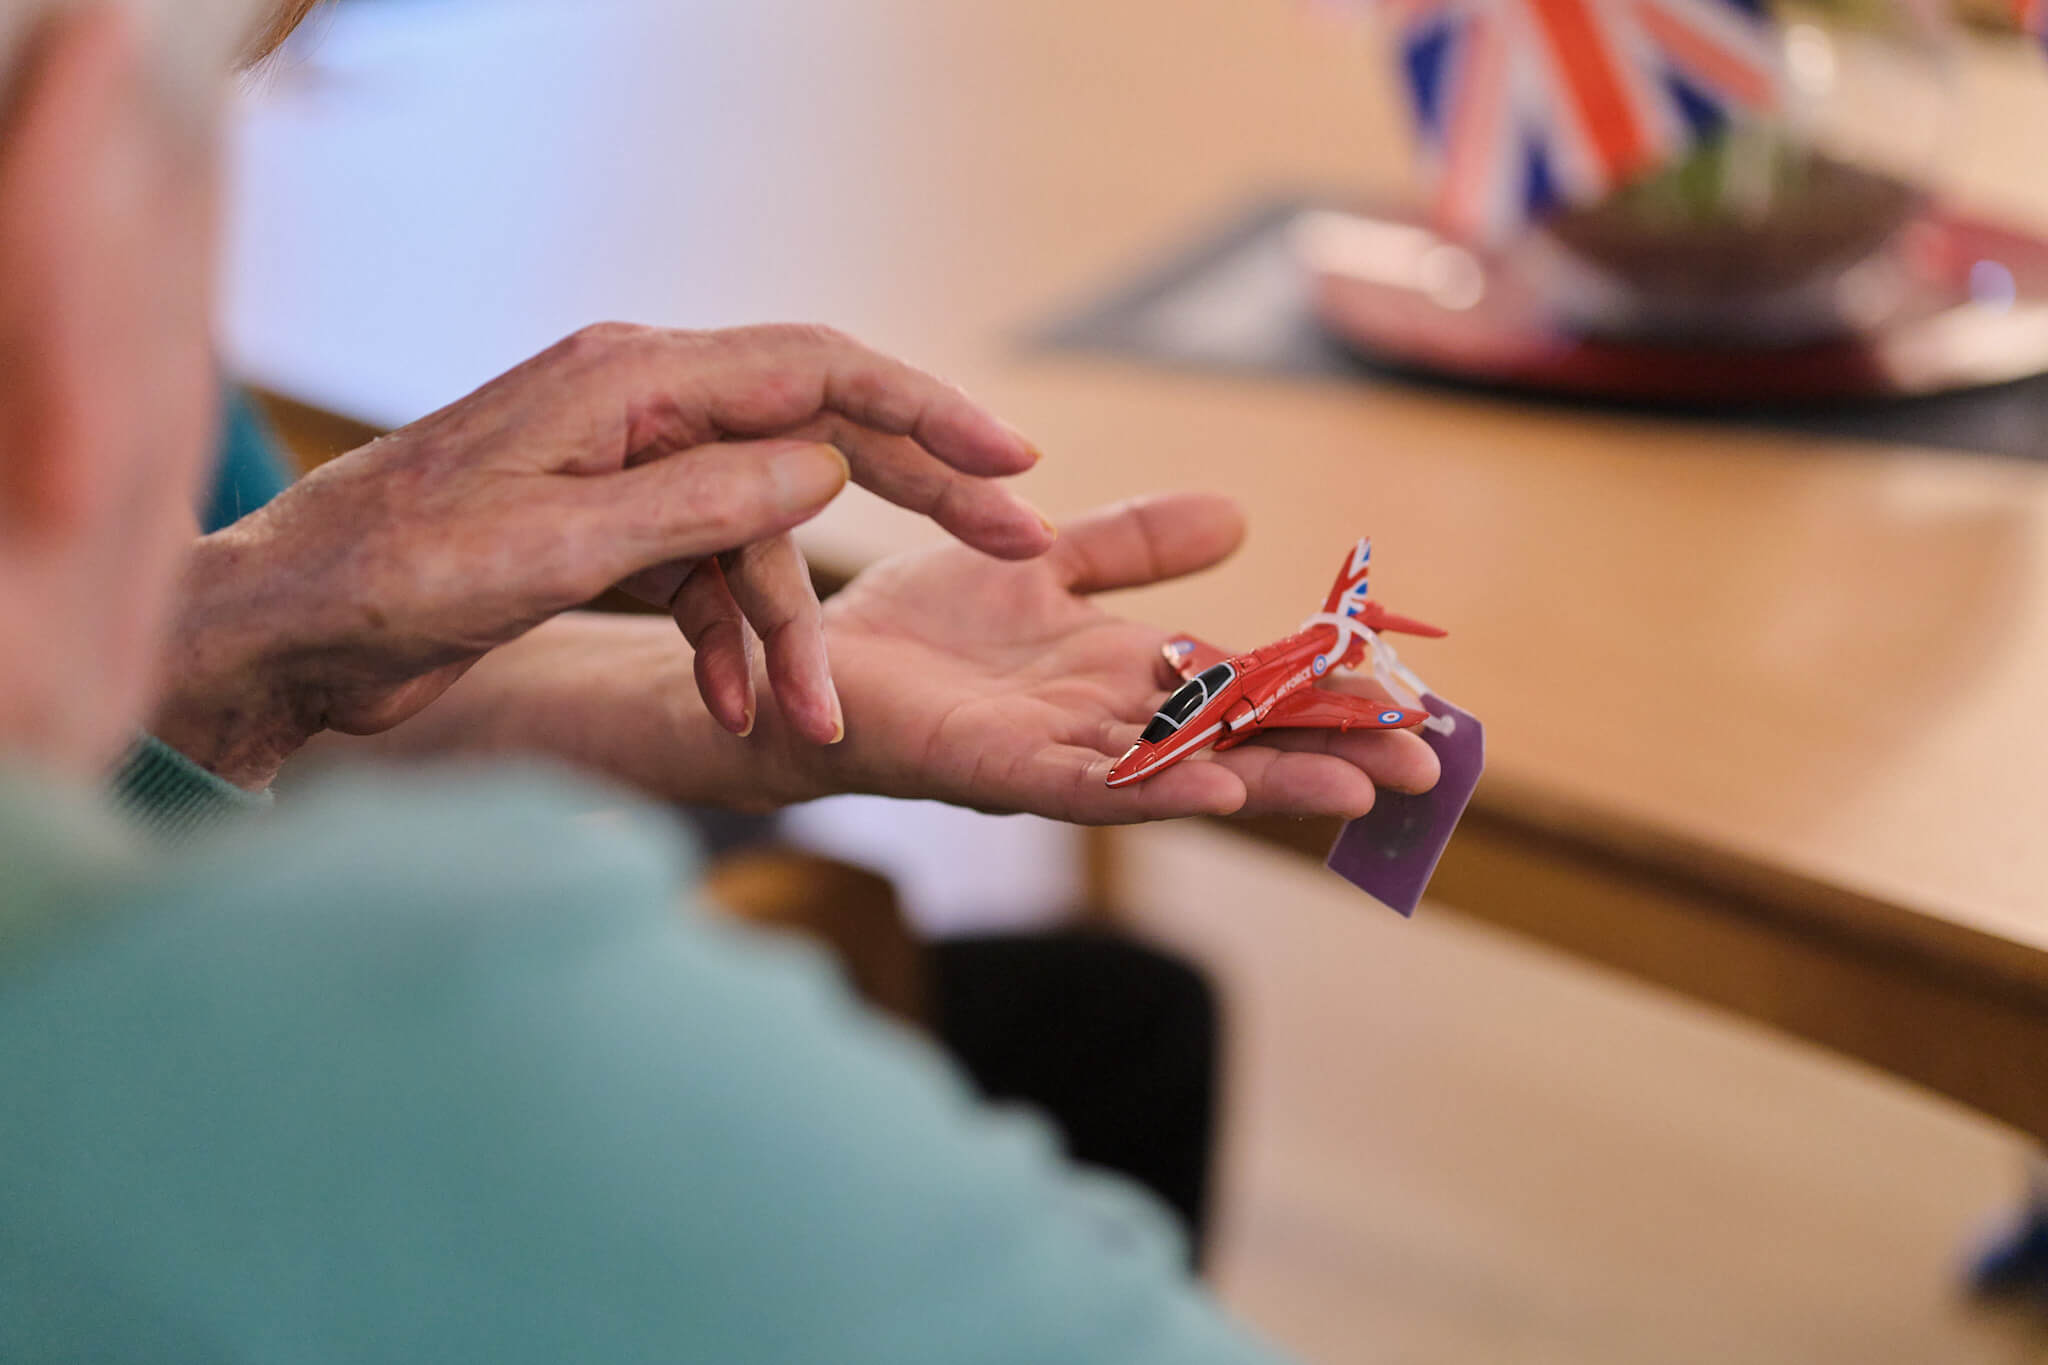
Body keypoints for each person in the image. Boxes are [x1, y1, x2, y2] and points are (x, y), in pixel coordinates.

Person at [0, 1, 1437, 1359]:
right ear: (74, 194)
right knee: (1124, 1024)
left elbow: (152, 696)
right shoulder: (444, 1021)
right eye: (210, 115)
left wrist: (258, 628)